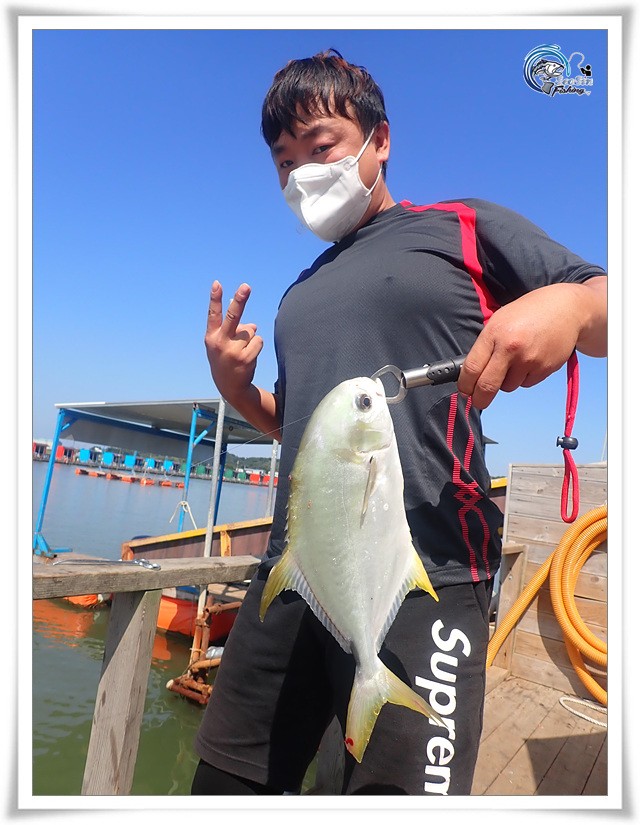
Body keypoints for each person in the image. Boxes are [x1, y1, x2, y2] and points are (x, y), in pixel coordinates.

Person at [191, 49, 607, 796]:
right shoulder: (299, 295)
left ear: (379, 140)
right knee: (224, 787)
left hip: (429, 576)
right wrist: (237, 391)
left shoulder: (461, 227)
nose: (301, 174)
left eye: (321, 146)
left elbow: (611, 309)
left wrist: (573, 304)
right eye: (284, 163)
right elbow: (304, 433)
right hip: (295, 570)